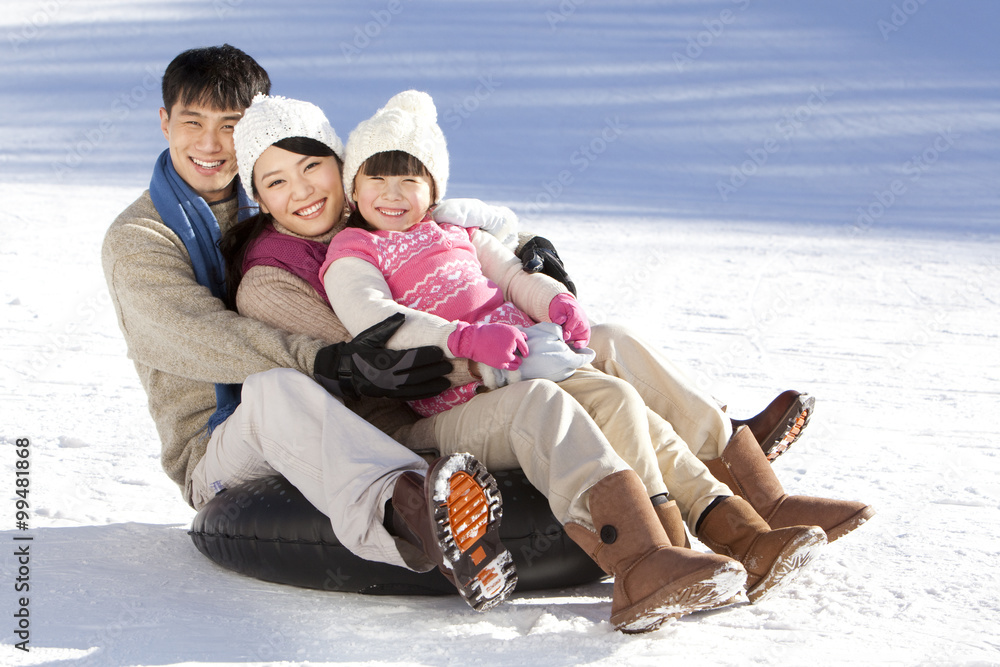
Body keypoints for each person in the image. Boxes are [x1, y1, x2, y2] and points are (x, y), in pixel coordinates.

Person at [225, 90, 833, 632]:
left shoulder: (425, 223)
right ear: (261, 197)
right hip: (410, 419)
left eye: (311, 168)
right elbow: (376, 334)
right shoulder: (299, 270)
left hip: (508, 361)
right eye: (276, 181)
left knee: (613, 377)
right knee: (549, 402)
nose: (302, 190)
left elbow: (488, 256)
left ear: (339, 170)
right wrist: (475, 345)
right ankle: (644, 555)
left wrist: (546, 288)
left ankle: (731, 527)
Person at [101, 45, 519, 613]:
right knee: (277, 388)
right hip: (222, 447)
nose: (209, 144)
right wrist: (326, 359)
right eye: (192, 122)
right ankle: (419, 516)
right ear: (164, 122)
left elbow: (406, 217)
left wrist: (518, 256)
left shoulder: (289, 196)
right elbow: (191, 334)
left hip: (357, 416)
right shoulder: (142, 236)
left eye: (230, 127)